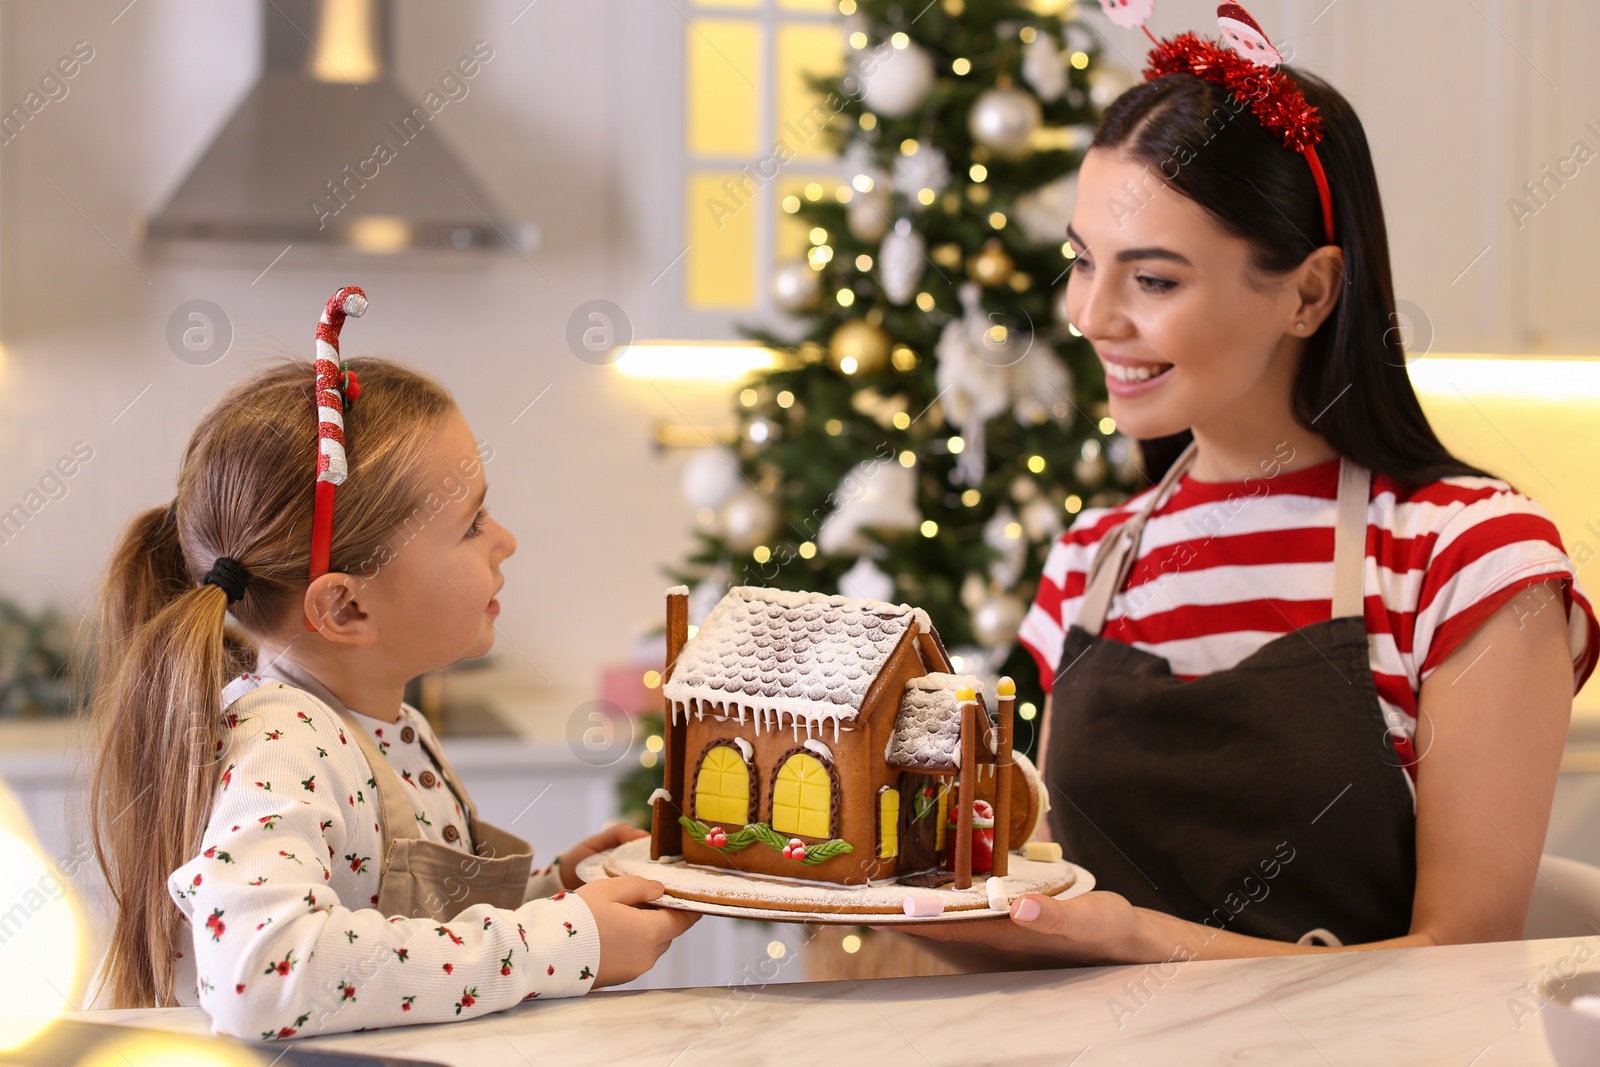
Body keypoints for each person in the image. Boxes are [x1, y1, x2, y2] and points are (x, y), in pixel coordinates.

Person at [909, 7, 1597, 966]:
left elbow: (1463, 963)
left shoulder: (1467, 557)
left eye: (1151, 280)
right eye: (1081, 262)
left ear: (1309, 292)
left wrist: (1141, 943)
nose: (1091, 315)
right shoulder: (1093, 558)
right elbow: (1058, 903)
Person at [86, 289, 696, 1040]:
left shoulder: (383, 724)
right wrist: (563, 942)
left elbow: (393, 929)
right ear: (345, 609)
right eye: (470, 522)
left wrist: (558, 891)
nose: (505, 539)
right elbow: (261, 974)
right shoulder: (280, 742)